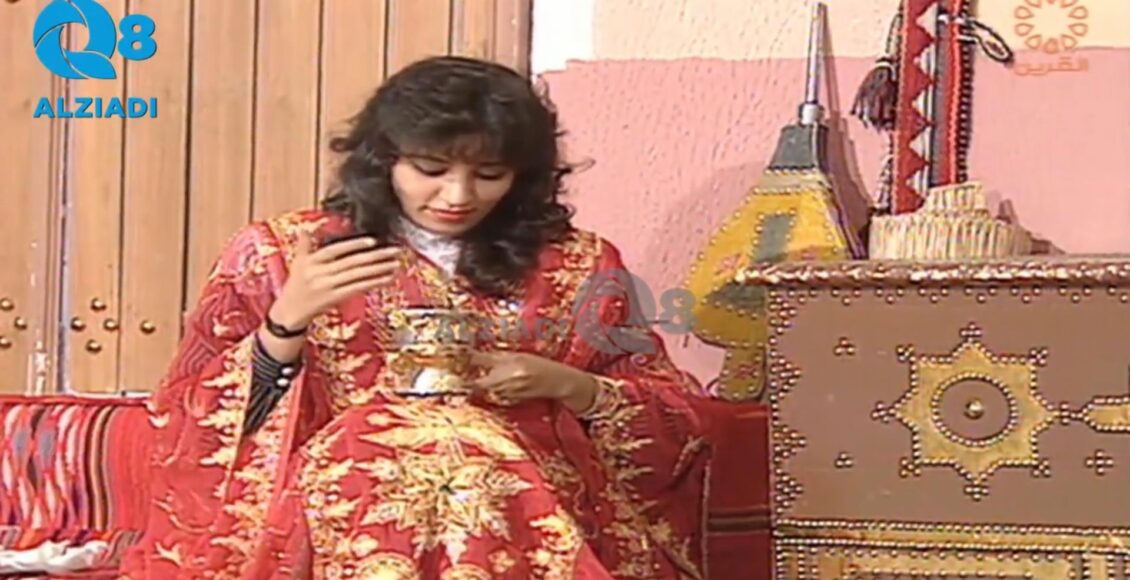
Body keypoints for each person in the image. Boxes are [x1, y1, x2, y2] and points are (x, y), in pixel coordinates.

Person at [119, 56, 709, 579]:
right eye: (431, 169)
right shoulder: (281, 253)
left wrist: (568, 385)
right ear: (384, 161)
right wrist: (285, 324)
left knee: (466, 464)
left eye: (489, 175)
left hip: (524, 496)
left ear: (523, 176)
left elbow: (676, 425)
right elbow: (188, 422)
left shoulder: (580, 266)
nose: (458, 195)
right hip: (340, 495)